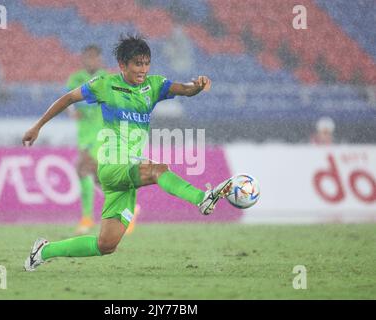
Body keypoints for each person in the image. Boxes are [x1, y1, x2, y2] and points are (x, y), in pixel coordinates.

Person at [22, 35, 231, 271]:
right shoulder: (105, 84)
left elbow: (185, 89)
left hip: (126, 175)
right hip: (112, 165)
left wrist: (198, 86)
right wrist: (37, 126)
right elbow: (69, 98)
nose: (142, 69)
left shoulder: (154, 85)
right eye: (137, 64)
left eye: (146, 63)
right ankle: (201, 199)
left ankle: (44, 251)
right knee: (157, 170)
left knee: (106, 245)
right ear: (122, 65)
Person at [66, 45, 141, 235]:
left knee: (82, 168)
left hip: (102, 133)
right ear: (83, 58)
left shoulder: (107, 78)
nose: (90, 61)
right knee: (97, 177)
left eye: (94, 57)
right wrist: (72, 110)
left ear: (99, 59)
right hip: (84, 133)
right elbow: (68, 100)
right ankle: (127, 210)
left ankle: (87, 218)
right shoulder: (75, 78)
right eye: (87, 57)